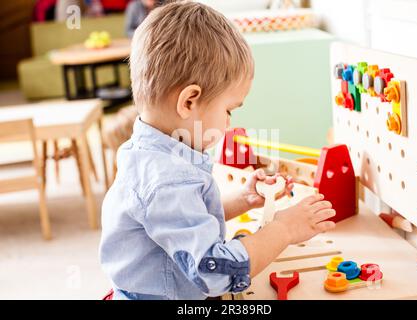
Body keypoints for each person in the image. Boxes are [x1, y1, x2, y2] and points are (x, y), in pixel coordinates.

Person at [100, 1, 336, 300]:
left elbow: (181, 223)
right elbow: (218, 274)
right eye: (229, 110)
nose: (228, 121)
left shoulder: (152, 152)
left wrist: (242, 200)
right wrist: (283, 229)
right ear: (189, 101)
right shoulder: (169, 179)